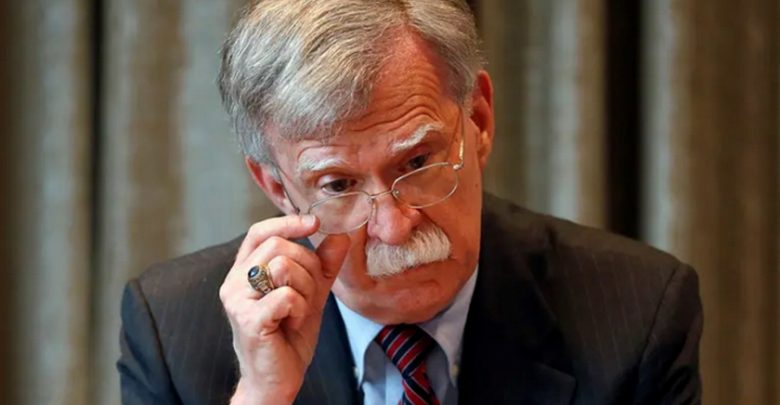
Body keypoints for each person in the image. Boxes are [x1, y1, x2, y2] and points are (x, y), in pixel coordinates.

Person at [117, 1, 703, 404]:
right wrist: (262, 396)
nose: (394, 227)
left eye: (417, 163)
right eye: (339, 185)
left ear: (478, 121)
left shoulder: (634, 314)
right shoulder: (174, 330)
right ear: (276, 187)